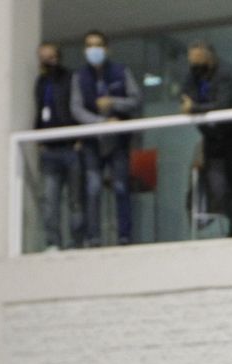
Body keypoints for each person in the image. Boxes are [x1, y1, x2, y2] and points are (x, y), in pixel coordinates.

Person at [70, 30, 142, 247]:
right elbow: (76, 109)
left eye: (98, 45)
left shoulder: (121, 71)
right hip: (93, 142)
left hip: (118, 142)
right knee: (93, 188)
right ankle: (93, 237)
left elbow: (136, 100)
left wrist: (113, 103)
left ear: (107, 48)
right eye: (90, 46)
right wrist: (100, 123)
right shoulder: (79, 77)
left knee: (120, 187)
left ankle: (124, 235)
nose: (94, 50)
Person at [181, 41, 232, 238]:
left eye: (198, 60)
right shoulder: (192, 76)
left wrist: (195, 108)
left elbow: (223, 104)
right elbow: (186, 99)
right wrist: (193, 106)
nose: (195, 66)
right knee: (216, 188)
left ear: (209, 57)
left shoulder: (223, 75)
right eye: (192, 61)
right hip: (211, 141)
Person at [33, 41, 83, 251]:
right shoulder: (41, 82)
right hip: (49, 149)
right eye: (43, 57)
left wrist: (79, 136)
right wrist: (39, 138)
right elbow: (39, 109)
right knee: (50, 200)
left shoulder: (70, 78)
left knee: (75, 199)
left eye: (50, 57)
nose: (47, 61)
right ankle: (53, 242)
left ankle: (77, 241)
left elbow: (76, 107)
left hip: (70, 146)